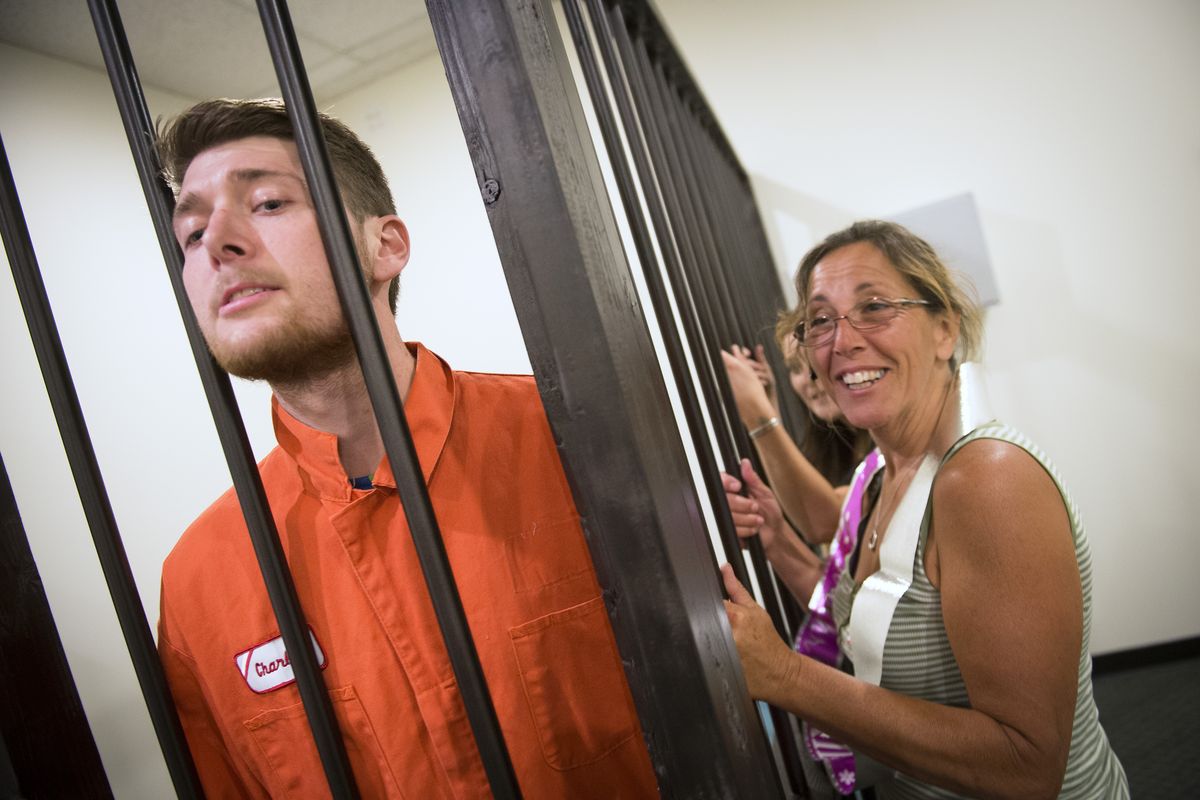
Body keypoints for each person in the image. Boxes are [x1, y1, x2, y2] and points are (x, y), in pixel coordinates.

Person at [154, 98, 657, 798]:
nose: (216, 243)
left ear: (384, 245)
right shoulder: (198, 583)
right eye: (191, 232)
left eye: (267, 202)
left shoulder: (577, 439)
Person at [721, 221, 1128, 798]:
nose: (843, 341)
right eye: (820, 319)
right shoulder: (880, 475)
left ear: (944, 329)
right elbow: (869, 621)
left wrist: (786, 677)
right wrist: (779, 541)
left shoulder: (987, 481)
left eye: (875, 307)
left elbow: (1026, 766)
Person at [722, 341, 883, 797]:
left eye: (814, 362)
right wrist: (777, 540)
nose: (811, 378)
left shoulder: (889, 454)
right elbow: (840, 595)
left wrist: (758, 413)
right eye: (796, 368)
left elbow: (825, 516)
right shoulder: (839, 445)